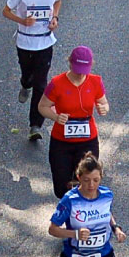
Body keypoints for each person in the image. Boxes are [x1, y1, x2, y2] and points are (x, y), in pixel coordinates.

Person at [2, 0, 64, 140]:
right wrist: (22, 21)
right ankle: (24, 84)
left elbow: (58, 1)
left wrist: (55, 18)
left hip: (45, 42)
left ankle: (35, 125)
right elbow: (5, 11)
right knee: (27, 75)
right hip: (25, 42)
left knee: (41, 83)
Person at [37, 45, 109, 199]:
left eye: (84, 70)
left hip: (87, 141)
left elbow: (104, 102)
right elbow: (42, 107)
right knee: (61, 186)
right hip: (62, 142)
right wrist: (56, 117)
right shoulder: (57, 83)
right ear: (70, 63)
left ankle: (78, 217)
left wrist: (104, 108)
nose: (81, 74)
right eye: (77, 69)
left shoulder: (96, 82)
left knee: (87, 183)